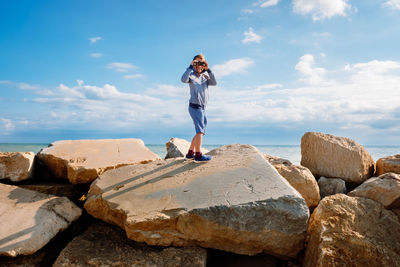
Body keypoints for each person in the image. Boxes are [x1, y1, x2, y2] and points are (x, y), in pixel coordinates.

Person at [181, 53, 217, 162]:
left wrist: (208, 69)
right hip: (195, 106)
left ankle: (190, 153)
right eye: (197, 63)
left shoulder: (205, 76)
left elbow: (214, 83)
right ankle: (198, 155)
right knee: (200, 131)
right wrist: (190, 66)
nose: (199, 66)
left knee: (199, 131)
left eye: (201, 63)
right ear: (194, 64)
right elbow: (183, 79)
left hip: (202, 107)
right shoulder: (191, 75)